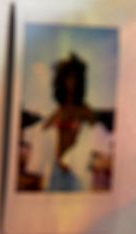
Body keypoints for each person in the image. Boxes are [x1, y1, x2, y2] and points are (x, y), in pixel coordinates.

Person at [42, 53, 97, 191]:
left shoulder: (84, 110)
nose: (72, 82)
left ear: (80, 81)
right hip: (57, 169)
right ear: (61, 80)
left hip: (76, 171)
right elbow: (43, 130)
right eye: (68, 78)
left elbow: (98, 135)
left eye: (75, 78)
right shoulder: (59, 110)